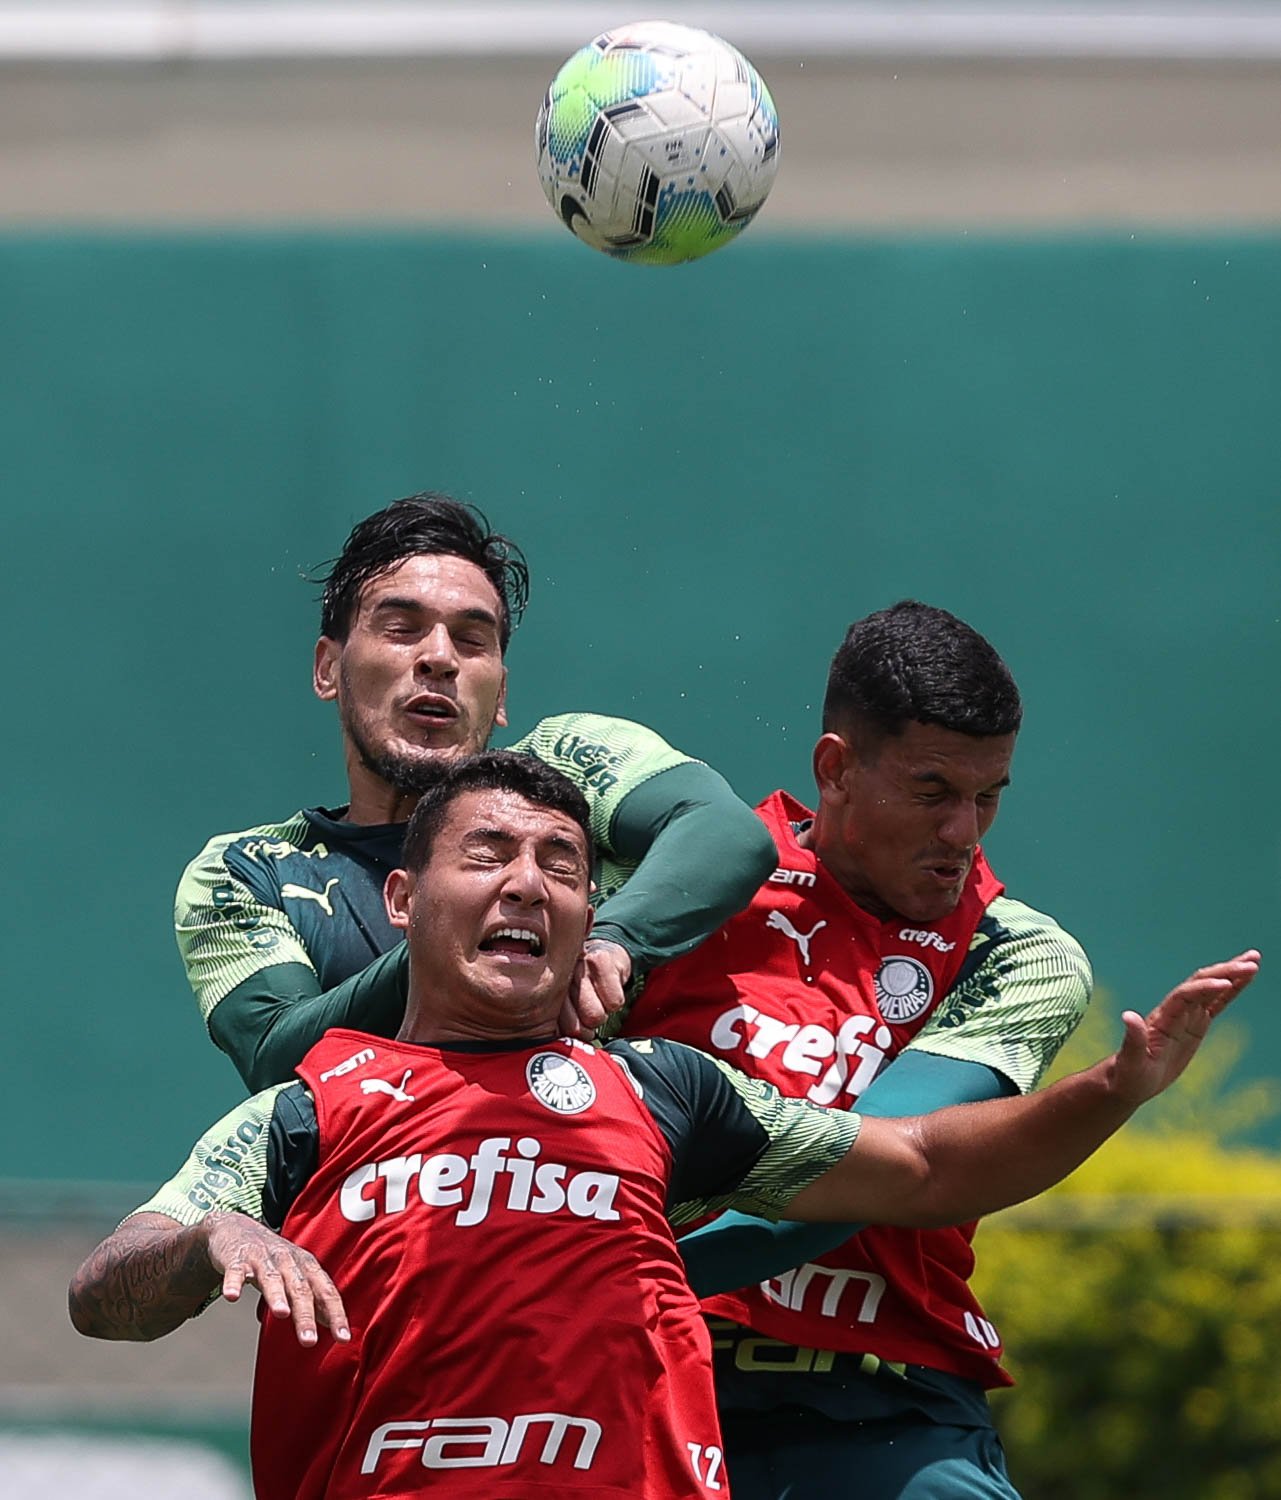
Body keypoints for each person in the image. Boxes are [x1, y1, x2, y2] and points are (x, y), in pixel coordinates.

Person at [70, 752, 1257, 1500]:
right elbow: (102, 1294)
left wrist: (1113, 1092)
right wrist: (207, 1241)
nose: (527, 883)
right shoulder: (309, 1110)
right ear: (402, 898)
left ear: (595, 910)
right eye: (487, 853)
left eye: (561, 865)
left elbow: (924, 1167)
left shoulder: (664, 1093)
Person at [622, 601, 1107, 1497]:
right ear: (835, 769)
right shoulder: (677, 882)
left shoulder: (1020, 953)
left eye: (987, 796)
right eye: (932, 793)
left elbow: (867, 1170)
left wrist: (585, 1275)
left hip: (885, 1403)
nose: (964, 834)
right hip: (641, 1377)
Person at [176, 492, 776, 1090]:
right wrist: (484, 942)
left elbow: (729, 833)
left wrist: (612, 943)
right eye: (401, 629)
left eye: (471, 640)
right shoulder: (246, 871)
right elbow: (279, 1061)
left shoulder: (569, 764)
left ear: (502, 692)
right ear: (328, 669)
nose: (439, 658)